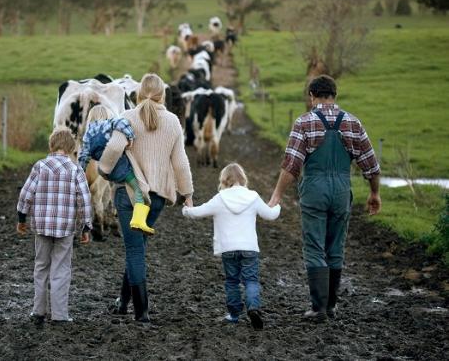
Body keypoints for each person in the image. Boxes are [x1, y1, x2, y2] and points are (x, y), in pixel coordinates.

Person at [268, 75, 381, 322]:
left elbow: (291, 165)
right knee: (336, 247)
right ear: (334, 96)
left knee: (314, 246)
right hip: (341, 190)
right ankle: (331, 306)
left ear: (311, 96)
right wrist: (374, 193)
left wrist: (277, 195)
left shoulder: (304, 122)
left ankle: (318, 308)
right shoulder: (352, 122)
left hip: (315, 190)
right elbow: (371, 165)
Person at [99, 73, 194, 323]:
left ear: (138, 94)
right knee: (138, 247)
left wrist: (103, 170)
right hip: (157, 197)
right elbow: (180, 162)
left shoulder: (127, 117)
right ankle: (123, 302)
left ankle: (141, 312)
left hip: (129, 195)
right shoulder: (173, 121)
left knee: (134, 250)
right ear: (163, 94)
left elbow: (113, 148)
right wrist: (187, 193)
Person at [182, 163, 280, 330]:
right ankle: (253, 308)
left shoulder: (220, 198)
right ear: (243, 179)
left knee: (232, 281)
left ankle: (234, 315)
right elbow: (270, 215)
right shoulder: (253, 196)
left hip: (228, 248)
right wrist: (277, 205)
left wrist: (187, 208)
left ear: (224, 180)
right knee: (251, 280)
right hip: (249, 247)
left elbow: (197, 212)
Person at [16, 127, 92, 326]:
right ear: (71, 148)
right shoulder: (76, 170)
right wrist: (86, 226)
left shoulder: (39, 167)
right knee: (61, 268)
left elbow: (26, 194)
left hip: (41, 227)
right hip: (65, 228)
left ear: (51, 145)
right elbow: (84, 199)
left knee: (41, 266)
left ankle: (38, 311)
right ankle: (59, 315)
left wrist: (21, 218)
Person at [78, 105, 154, 234]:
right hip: (119, 166)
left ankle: (119, 209)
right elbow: (122, 123)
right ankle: (139, 220)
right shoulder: (110, 123)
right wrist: (130, 138)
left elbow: (84, 156)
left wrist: (80, 172)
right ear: (106, 115)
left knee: (119, 187)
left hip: (105, 171)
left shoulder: (88, 133)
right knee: (138, 188)